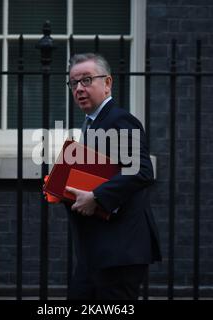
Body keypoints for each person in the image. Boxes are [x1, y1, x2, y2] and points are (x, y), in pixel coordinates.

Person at [63, 53, 162, 300]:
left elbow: (141, 170)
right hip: (98, 250)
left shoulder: (119, 119)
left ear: (107, 83)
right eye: (73, 83)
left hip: (120, 250)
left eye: (86, 80)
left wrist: (96, 196)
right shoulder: (92, 123)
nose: (79, 89)